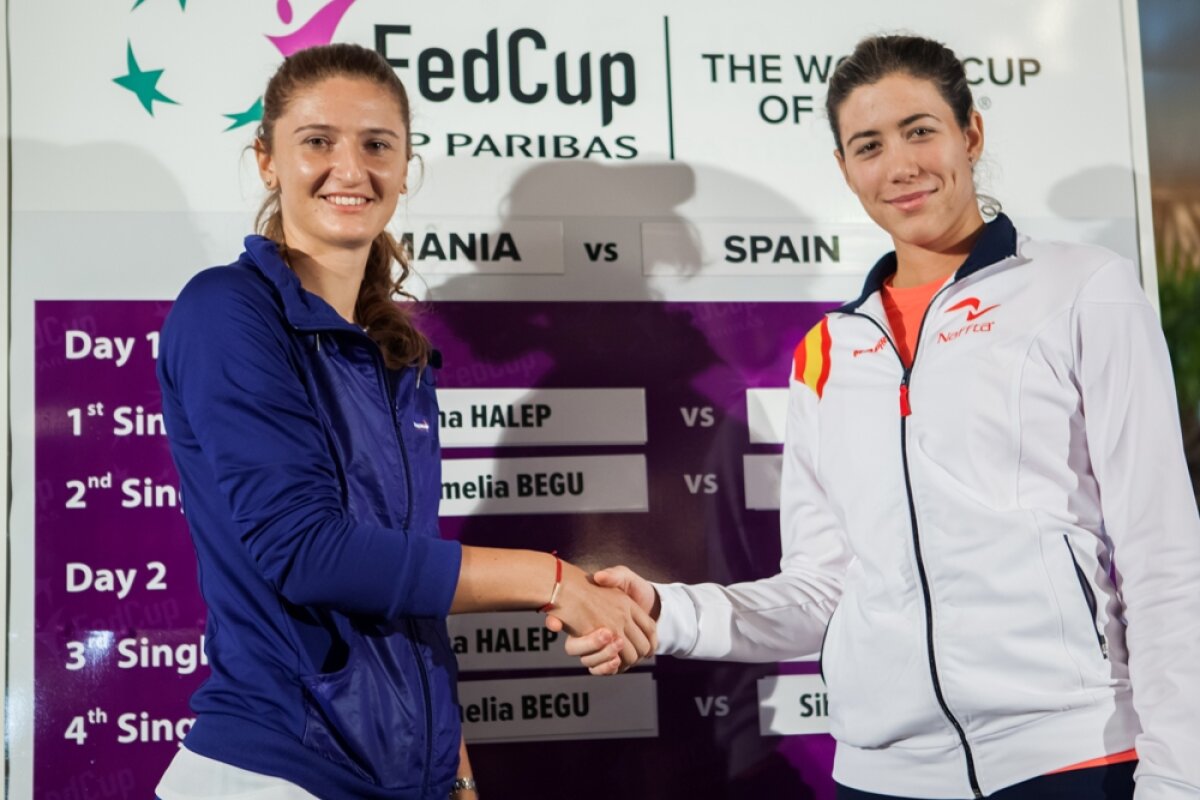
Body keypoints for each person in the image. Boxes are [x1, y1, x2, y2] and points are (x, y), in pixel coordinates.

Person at [557, 34, 1200, 800]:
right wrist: (667, 611)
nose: (899, 165)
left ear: (971, 134)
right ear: (844, 168)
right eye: (869, 145)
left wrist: (1177, 775)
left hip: (1069, 757)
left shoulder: (1083, 289)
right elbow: (821, 590)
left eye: (920, 130)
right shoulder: (828, 349)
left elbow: (1163, 555)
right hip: (882, 774)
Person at [153, 43, 654, 800]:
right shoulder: (226, 308)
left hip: (406, 776)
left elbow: (402, 576)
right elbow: (307, 552)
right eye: (318, 141)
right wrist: (550, 580)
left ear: (406, 167)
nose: (350, 169)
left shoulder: (395, 350)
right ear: (266, 161)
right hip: (275, 769)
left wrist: (455, 769)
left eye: (377, 145)